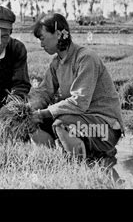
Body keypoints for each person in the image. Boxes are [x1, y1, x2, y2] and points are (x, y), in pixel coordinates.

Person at [28, 13, 124, 170]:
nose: (40, 44)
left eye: (42, 38)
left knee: (62, 124)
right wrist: (28, 111)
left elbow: (80, 102)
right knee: (33, 123)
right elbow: (44, 91)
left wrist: (44, 113)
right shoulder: (56, 64)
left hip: (106, 128)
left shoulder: (86, 58)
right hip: (82, 122)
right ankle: (59, 158)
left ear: (58, 34)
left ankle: (77, 167)